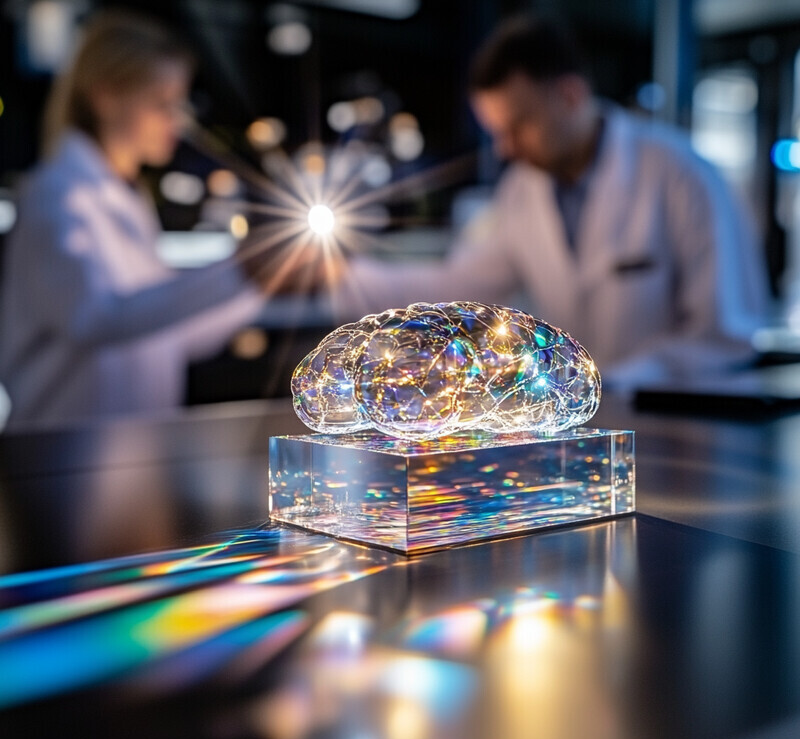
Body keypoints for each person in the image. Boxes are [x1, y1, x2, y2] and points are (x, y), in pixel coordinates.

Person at [329, 15, 771, 389]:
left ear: (570, 96)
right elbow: (460, 284)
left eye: (518, 126)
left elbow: (725, 336)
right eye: (497, 132)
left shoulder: (681, 174)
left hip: (681, 429)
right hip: (580, 431)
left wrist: (612, 381)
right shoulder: (523, 189)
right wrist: (337, 275)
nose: (504, 148)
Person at [0, 12, 301, 431]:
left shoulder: (125, 197)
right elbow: (98, 318)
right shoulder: (58, 197)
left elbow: (170, 336)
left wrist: (260, 281)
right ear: (106, 96)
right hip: (57, 460)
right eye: (163, 102)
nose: (178, 120)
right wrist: (241, 271)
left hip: (125, 455)